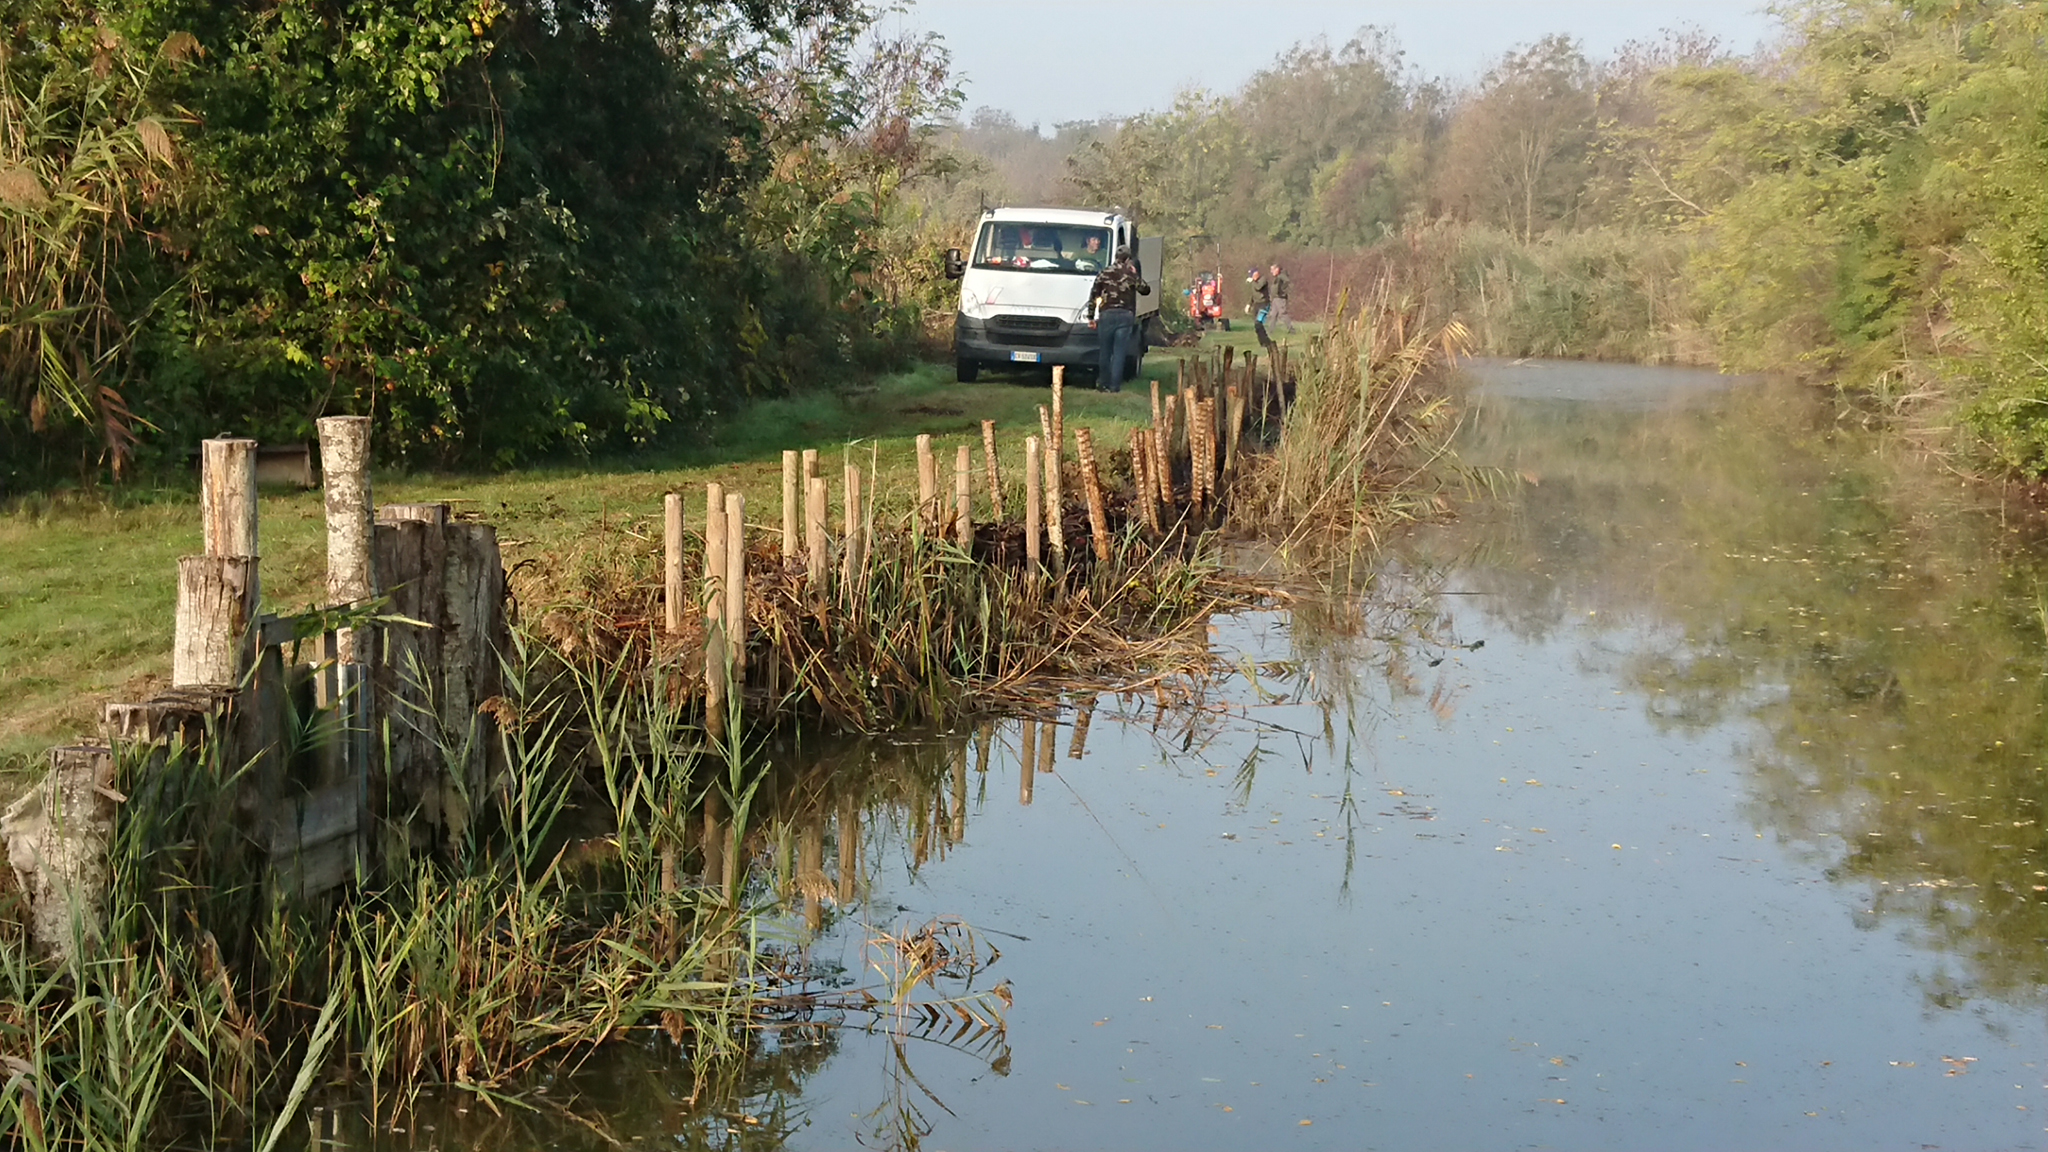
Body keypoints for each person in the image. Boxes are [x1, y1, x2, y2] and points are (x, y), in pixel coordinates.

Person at [1087, 245, 1151, 392]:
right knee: (1119, 352)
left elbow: (1094, 295)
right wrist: (1136, 275)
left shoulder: (1104, 272)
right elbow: (1146, 290)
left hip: (1107, 314)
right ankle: (1115, 386)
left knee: (1105, 351)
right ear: (1128, 259)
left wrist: (1091, 316)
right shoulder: (1130, 274)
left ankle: (1103, 383)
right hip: (1125, 316)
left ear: (1115, 256)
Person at [1269, 263, 1293, 333]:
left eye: (1272, 270)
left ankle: (1291, 329)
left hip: (1280, 298)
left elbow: (1287, 282)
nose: (1271, 271)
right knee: (1273, 315)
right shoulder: (1277, 277)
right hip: (1275, 298)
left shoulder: (1282, 276)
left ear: (1277, 269)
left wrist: (1281, 291)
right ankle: (1271, 331)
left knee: (1283, 314)